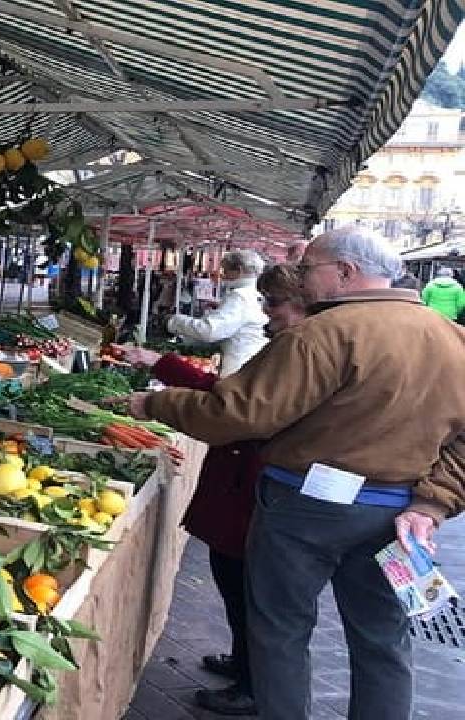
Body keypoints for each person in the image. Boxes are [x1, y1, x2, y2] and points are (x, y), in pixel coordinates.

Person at [123, 226, 465, 720]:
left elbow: (238, 414)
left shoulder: (323, 333)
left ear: (345, 272)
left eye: (309, 269)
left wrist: (155, 401)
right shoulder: (452, 338)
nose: (303, 280)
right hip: (396, 513)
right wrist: (430, 504)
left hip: (304, 509)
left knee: (281, 632)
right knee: (383, 641)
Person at [118, 265, 309, 715]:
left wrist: (158, 401)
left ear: (301, 302)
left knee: (249, 589)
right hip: (246, 483)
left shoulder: (301, 351)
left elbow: (237, 412)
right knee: (234, 579)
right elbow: (233, 396)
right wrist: (163, 364)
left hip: (257, 487)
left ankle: (253, 684)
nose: (265, 313)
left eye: (274, 303)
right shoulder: (288, 346)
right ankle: (245, 663)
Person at [166, 250, 268, 377]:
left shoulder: (240, 297)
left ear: (239, 270)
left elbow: (211, 331)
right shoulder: (255, 295)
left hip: (237, 368)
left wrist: (174, 321)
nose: (223, 276)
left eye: (225, 271)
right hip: (250, 365)